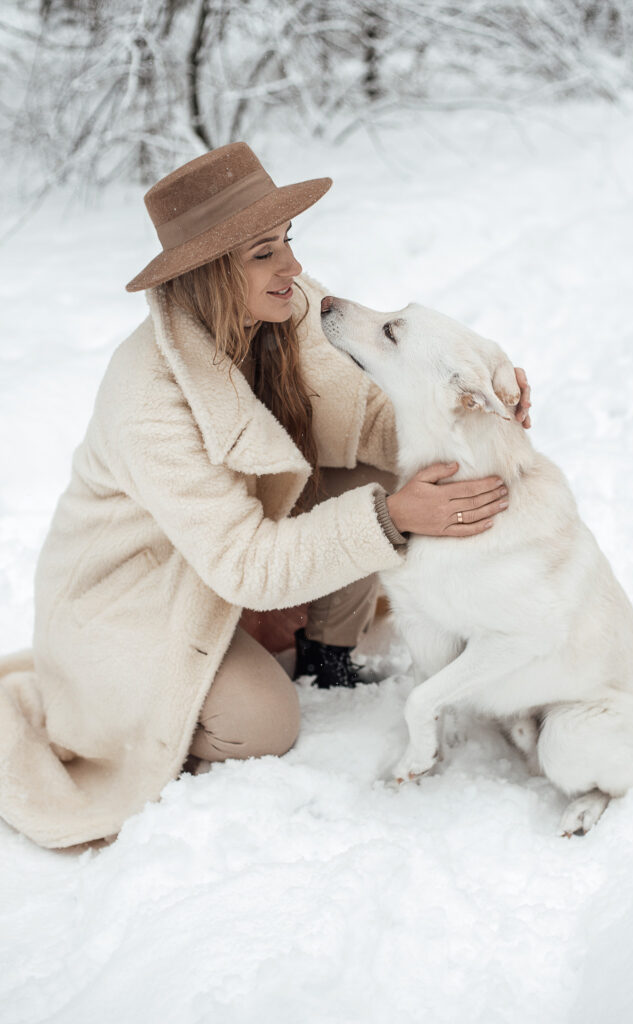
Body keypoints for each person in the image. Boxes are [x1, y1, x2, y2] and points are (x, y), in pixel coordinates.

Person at [0, 143, 530, 849]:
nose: (293, 269)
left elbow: (372, 423)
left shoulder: (290, 312)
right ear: (209, 274)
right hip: (137, 597)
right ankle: (158, 704)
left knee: (383, 477)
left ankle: (325, 655)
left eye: (287, 243)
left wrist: (470, 403)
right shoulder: (146, 395)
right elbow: (244, 563)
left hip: (223, 555)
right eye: (262, 254)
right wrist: (392, 519)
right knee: (262, 725)